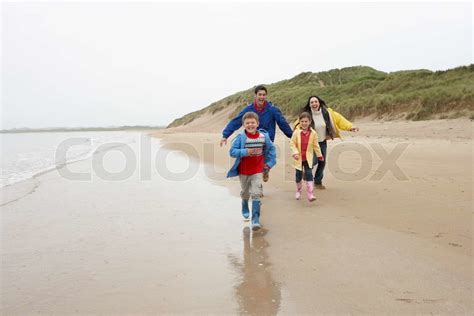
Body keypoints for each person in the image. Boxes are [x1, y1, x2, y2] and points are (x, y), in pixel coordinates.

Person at [220, 85, 292, 182]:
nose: (262, 97)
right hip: (251, 139)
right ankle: (258, 187)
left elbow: (282, 123)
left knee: (266, 160)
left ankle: (265, 169)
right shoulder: (248, 109)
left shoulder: (272, 109)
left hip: (266, 140)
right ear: (255, 95)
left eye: (264, 95)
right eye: (260, 95)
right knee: (255, 163)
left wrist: (292, 135)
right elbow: (237, 121)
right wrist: (225, 135)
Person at [227, 112, 276, 231]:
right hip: (243, 171)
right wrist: (245, 152)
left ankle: (255, 220)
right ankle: (244, 203)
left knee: (256, 193)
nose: (250, 125)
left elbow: (272, 151)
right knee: (245, 192)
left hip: (258, 170)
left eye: (252, 122)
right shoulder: (241, 138)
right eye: (247, 123)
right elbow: (232, 152)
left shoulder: (264, 137)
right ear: (243, 125)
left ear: (257, 123)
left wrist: (268, 165)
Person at [298, 96, 359, 189]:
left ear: (319, 103)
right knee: (313, 160)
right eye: (312, 102)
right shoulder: (307, 115)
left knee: (322, 162)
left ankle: (318, 182)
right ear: (309, 105)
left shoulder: (327, 113)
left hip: (322, 142)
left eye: (315, 101)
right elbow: (298, 125)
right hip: (310, 143)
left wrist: (350, 127)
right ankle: (306, 171)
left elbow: (340, 120)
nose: (314, 104)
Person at [290, 112, 324, 202]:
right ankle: (298, 190)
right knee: (298, 176)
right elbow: (292, 143)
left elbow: (316, 145)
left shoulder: (313, 133)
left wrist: (320, 155)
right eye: (302, 121)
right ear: (299, 122)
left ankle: (310, 193)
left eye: (306, 121)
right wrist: (295, 153)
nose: (304, 123)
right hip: (298, 158)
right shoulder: (296, 133)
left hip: (308, 158)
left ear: (310, 122)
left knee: (309, 174)